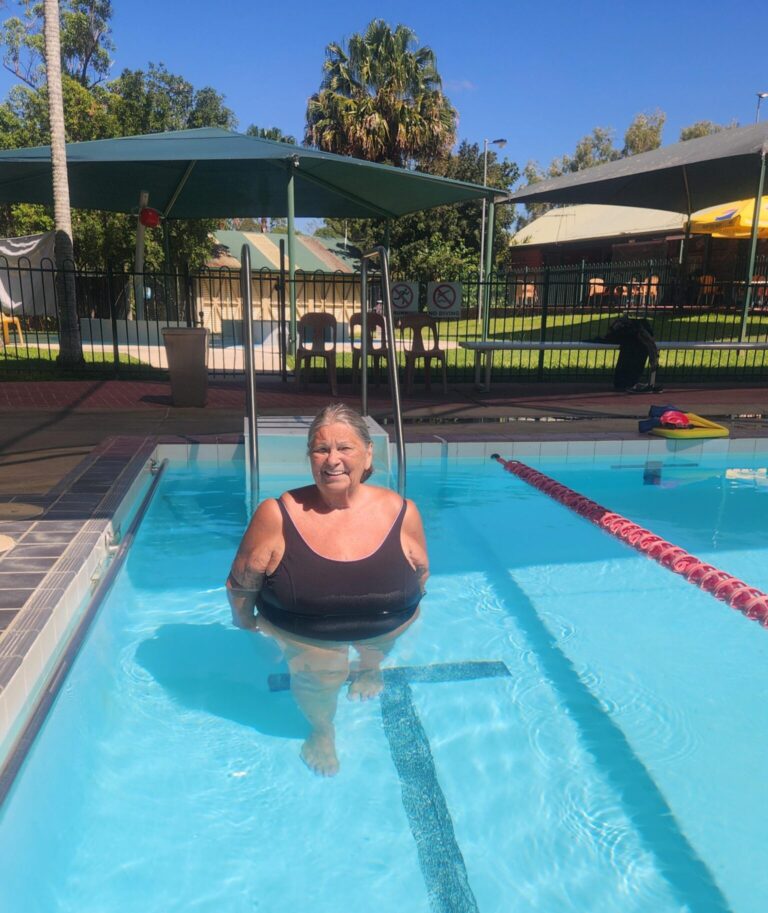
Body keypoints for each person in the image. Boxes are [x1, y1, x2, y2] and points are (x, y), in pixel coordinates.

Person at [227, 404, 429, 777]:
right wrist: (249, 626)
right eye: (321, 449)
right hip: (308, 638)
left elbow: (421, 573)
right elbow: (241, 583)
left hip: (385, 626)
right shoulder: (276, 514)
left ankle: (370, 669)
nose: (332, 460)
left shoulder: (404, 511)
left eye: (344, 448)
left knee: (376, 646)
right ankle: (322, 730)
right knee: (322, 675)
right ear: (309, 457)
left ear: (369, 453)